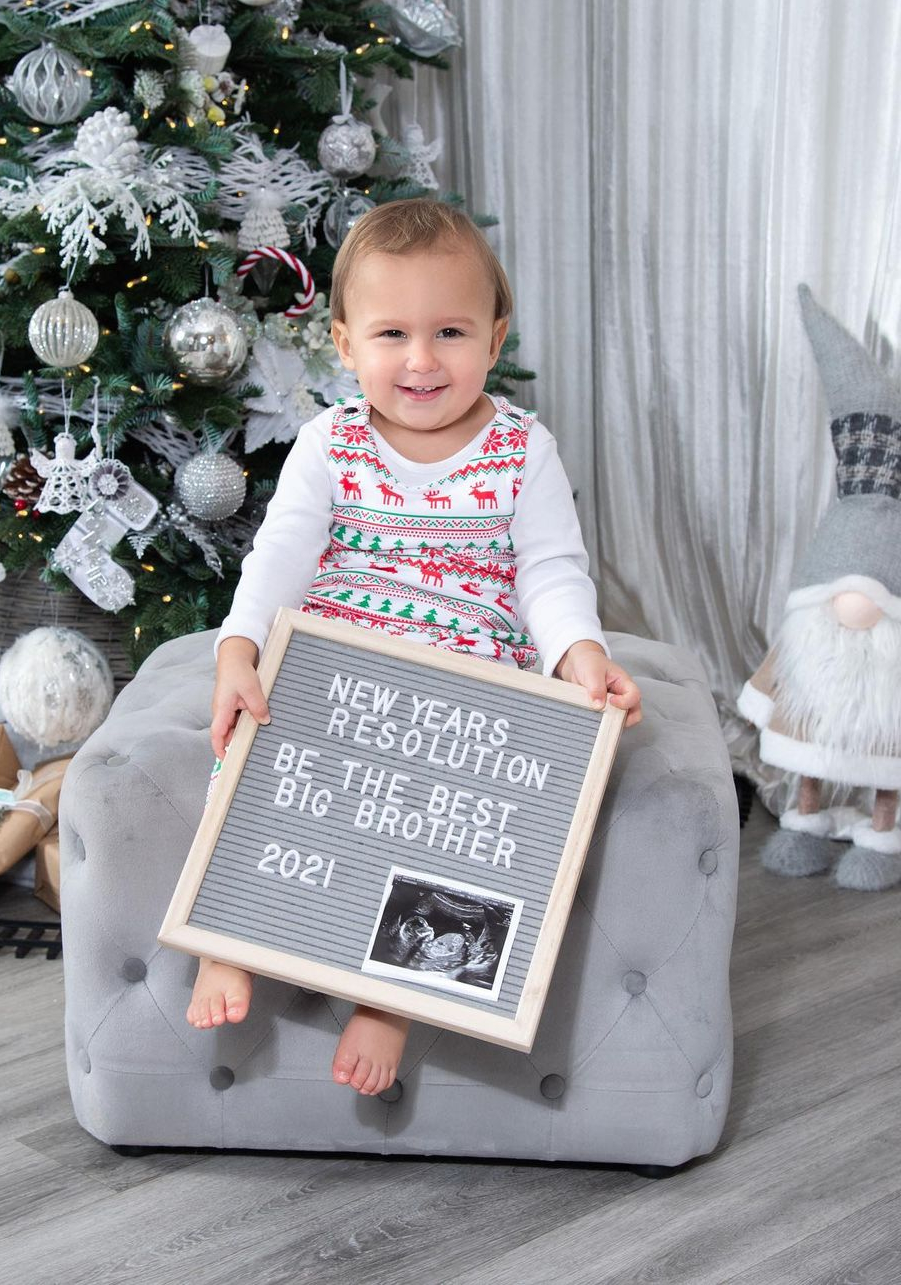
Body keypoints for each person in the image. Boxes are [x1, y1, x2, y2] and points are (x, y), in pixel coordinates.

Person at [186, 198, 643, 1095]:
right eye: (392, 333)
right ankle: (227, 933)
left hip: (466, 671)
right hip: (342, 660)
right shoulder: (331, 443)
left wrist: (577, 653)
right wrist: (238, 648)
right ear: (345, 342)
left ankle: (390, 1000)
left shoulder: (521, 449)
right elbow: (280, 555)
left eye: (451, 332)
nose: (422, 360)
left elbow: (551, 568)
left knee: (467, 817)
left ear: (495, 338)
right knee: (264, 754)